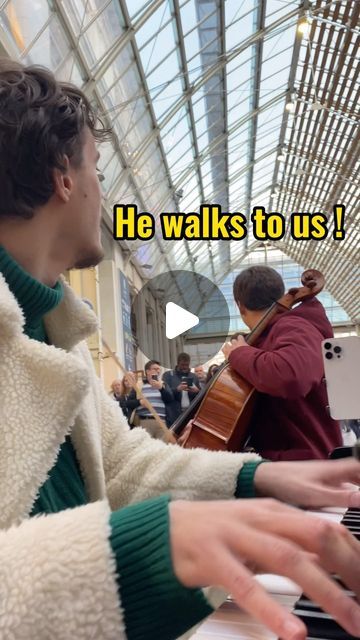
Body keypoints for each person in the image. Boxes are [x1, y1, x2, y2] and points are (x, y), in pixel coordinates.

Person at [0, 59, 359, 640]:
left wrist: (256, 479)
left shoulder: (53, 330)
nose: (102, 192)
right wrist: (145, 550)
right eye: (96, 169)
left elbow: (122, 465)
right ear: (62, 176)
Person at [222, 266, 342, 461]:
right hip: (285, 466)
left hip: (305, 469)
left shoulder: (293, 326)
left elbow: (290, 376)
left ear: (240, 306)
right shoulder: (268, 337)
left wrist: (239, 354)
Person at [126, 360, 174, 439]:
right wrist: (140, 402)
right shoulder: (139, 385)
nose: (158, 371)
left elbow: (170, 399)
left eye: (159, 369)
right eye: (155, 369)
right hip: (145, 421)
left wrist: (161, 388)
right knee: (147, 448)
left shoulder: (163, 384)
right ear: (147, 371)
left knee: (161, 448)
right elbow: (128, 403)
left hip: (162, 421)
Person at [163, 352, 200, 423]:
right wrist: (177, 389)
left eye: (187, 365)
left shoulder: (194, 376)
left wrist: (197, 391)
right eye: (182, 365)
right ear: (177, 363)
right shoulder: (168, 376)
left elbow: (200, 397)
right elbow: (165, 394)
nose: (185, 367)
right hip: (173, 414)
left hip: (190, 413)